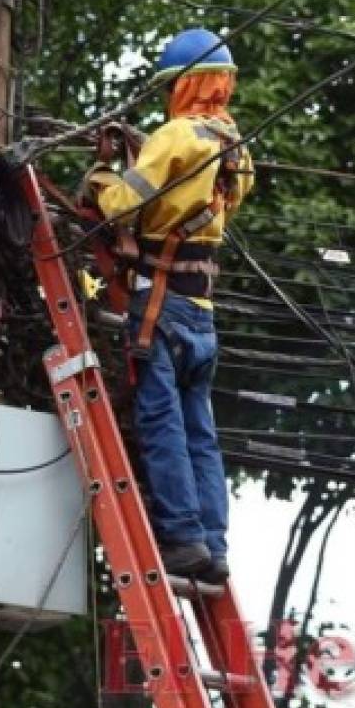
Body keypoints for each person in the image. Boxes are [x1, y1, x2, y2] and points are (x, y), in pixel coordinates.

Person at [86, 28, 253, 582]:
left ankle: (182, 539)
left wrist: (103, 175)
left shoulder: (175, 136)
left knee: (161, 423)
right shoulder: (236, 148)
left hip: (160, 310)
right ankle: (216, 546)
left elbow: (119, 206)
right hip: (204, 318)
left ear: (182, 86)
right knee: (200, 432)